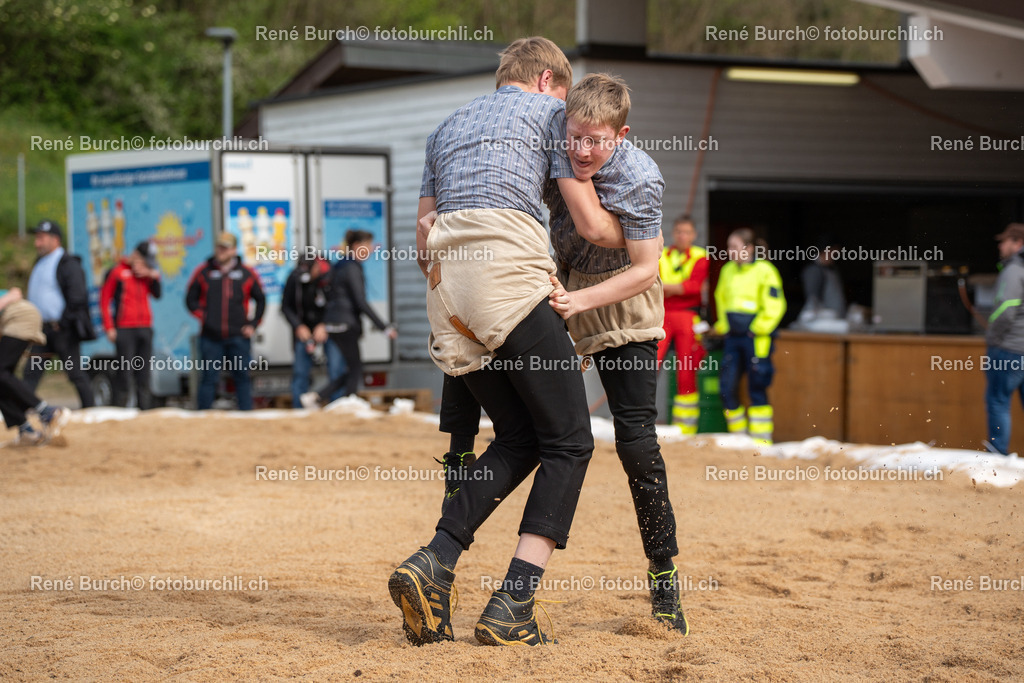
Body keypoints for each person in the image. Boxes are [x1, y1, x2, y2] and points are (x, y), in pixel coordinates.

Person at [389, 37, 619, 649]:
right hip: (506, 278)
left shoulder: (445, 127)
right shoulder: (550, 118)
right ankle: (514, 601)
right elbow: (592, 221)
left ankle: (435, 561)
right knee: (571, 440)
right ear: (549, 80)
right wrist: (639, 249)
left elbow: (421, 237)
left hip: (446, 296)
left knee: (521, 436)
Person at [300, 232, 396, 408]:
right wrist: (384, 327)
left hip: (333, 323)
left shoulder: (340, 265)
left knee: (352, 368)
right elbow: (360, 301)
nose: (370, 250)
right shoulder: (352, 267)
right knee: (355, 369)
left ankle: (318, 396)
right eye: (367, 246)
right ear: (356, 246)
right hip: (345, 323)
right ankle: (347, 403)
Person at [712, 228, 786, 445]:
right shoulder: (727, 270)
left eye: (734, 247)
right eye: (728, 247)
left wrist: (758, 328)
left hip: (757, 339)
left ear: (749, 248)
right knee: (726, 388)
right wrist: (723, 326)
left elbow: (775, 304)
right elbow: (721, 298)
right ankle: (739, 439)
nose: (730, 251)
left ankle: (762, 442)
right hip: (733, 338)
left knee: (757, 387)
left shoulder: (766, 270)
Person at [185, 232, 265, 411]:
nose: (221, 251)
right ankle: (203, 417)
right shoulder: (204, 271)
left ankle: (246, 417)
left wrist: (253, 324)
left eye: (225, 248)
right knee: (208, 377)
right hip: (211, 337)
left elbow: (261, 299)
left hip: (238, 336)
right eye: (219, 247)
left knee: (242, 376)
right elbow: (190, 299)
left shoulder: (246, 273)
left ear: (233, 250)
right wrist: (204, 317)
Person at [23, 219, 96, 408]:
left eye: (41, 238)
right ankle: (20, 413)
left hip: (62, 330)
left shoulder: (67, 263)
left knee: (75, 373)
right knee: (31, 373)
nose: (36, 243)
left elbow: (77, 297)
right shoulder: (40, 262)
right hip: (42, 330)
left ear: (55, 240)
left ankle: (91, 411)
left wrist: (62, 323)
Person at [657, 215, 709, 433]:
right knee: (650, 364)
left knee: (687, 369)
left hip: (688, 316)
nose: (682, 236)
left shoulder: (701, 257)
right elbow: (653, 282)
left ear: (694, 235)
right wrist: (677, 287)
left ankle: (685, 429)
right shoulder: (661, 254)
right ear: (673, 232)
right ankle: (640, 420)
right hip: (661, 315)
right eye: (679, 231)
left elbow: (694, 287)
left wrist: (667, 287)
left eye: (686, 232)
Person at [0, 288, 69, 445]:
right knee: (2, 378)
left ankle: (47, 411)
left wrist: (4, 301)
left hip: (20, 317)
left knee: (1, 373)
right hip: (14, 322)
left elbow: (16, 292)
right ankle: (27, 431)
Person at [99, 240, 161, 409]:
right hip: (125, 328)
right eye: (144, 259)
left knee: (144, 373)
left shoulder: (147, 274)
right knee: (124, 373)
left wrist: (151, 275)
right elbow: (104, 299)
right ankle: (120, 410)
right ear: (136, 255)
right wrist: (109, 327)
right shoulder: (118, 272)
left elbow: (157, 294)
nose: (145, 263)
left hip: (145, 327)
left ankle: (145, 411)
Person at [282, 251, 342, 408]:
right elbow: (286, 306)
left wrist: (325, 325)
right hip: (304, 331)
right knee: (300, 373)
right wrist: (298, 326)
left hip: (328, 329)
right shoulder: (294, 278)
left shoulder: (331, 276)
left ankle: (336, 408)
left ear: (316, 266)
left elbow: (339, 305)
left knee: (336, 370)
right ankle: (300, 410)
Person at [984, 222, 1024, 455]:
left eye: (1004, 241)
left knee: (998, 402)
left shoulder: (1013, 270)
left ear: (1017, 243)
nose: (1000, 246)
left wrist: (993, 338)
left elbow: (1005, 310)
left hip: (1009, 349)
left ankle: (997, 456)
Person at [798, 237, 845, 323]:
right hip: (821, 320)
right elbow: (812, 299)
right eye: (834, 253)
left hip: (834, 318)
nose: (835, 257)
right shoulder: (814, 270)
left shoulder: (832, 270)